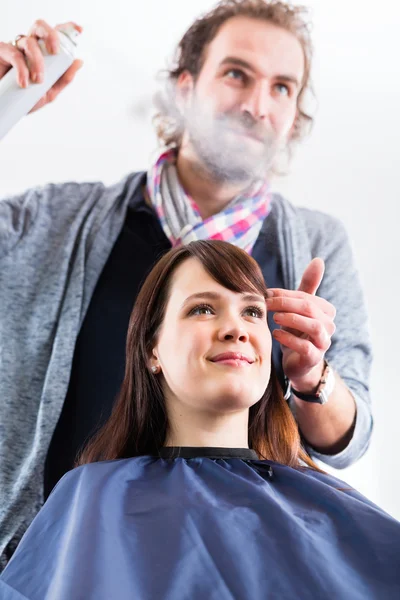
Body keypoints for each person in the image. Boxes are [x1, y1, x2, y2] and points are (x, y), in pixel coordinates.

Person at [0, 0, 372, 569]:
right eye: (236, 74)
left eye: (281, 88)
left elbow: (350, 434)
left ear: (294, 114)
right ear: (184, 86)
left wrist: (312, 376)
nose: (256, 105)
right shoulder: (50, 223)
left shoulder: (317, 246)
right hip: (51, 567)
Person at [0, 240, 396, 600]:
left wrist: (312, 375)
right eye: (202, 309)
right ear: (152, 350)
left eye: (252, 311)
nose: (235, 329)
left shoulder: (325, 508)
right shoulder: (87, 501)